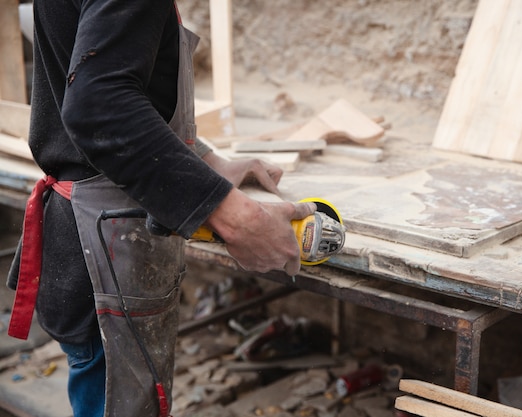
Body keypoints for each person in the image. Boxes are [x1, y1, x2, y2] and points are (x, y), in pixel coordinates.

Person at [6, 1, 316, 416]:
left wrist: (206, 162)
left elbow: (104, 76)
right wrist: (235, 215)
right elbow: (100, 106)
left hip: (90, 242)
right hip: (104, 254)